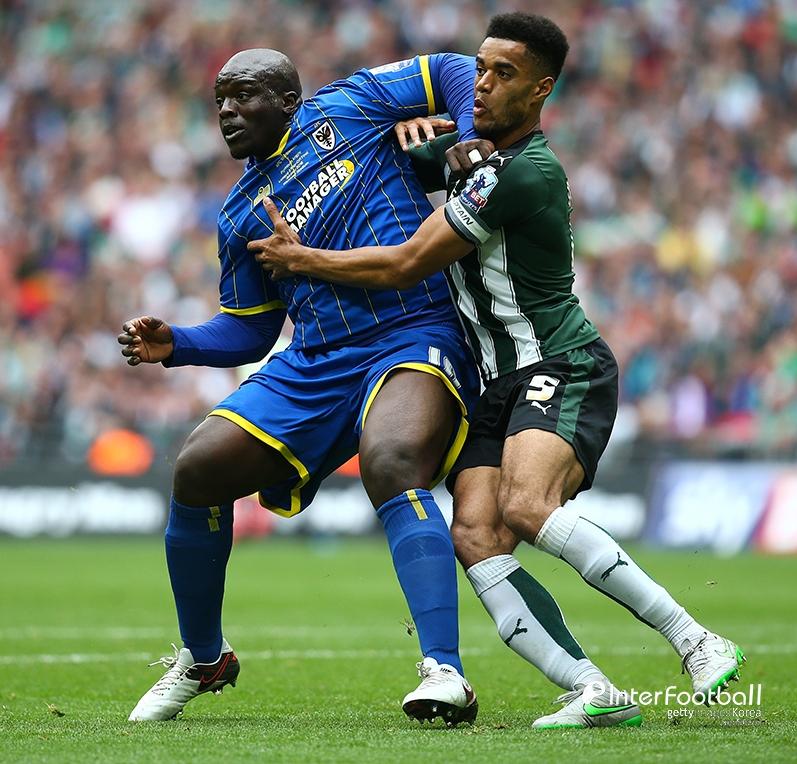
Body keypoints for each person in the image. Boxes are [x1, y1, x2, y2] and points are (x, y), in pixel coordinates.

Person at [248, 12, 746, 729]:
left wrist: (304, 260)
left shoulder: (526, 172)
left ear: (541, 90)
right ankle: (591, 689)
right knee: (475, 533)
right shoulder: (469, 153)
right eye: (479, 68)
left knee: (524, 505)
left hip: (560, 364)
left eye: (503, 74)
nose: (481, 84)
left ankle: (696, 639)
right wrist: (391, 138)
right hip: (495, 384)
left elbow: (406, 262)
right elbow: (371, 164)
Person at [120, 48, 483, 725]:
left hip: (410, 327)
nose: (227, 112)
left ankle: (445, 671)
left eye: (244, 96)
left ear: (289, 98)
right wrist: (178, 345)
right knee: (197, 469)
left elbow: (458, 71)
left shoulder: (351, 106)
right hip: (316, 357)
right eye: (220, 100)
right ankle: (204, 657)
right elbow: (252, 332)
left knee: (392, 460)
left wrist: (466, 138)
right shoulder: (238, 215)